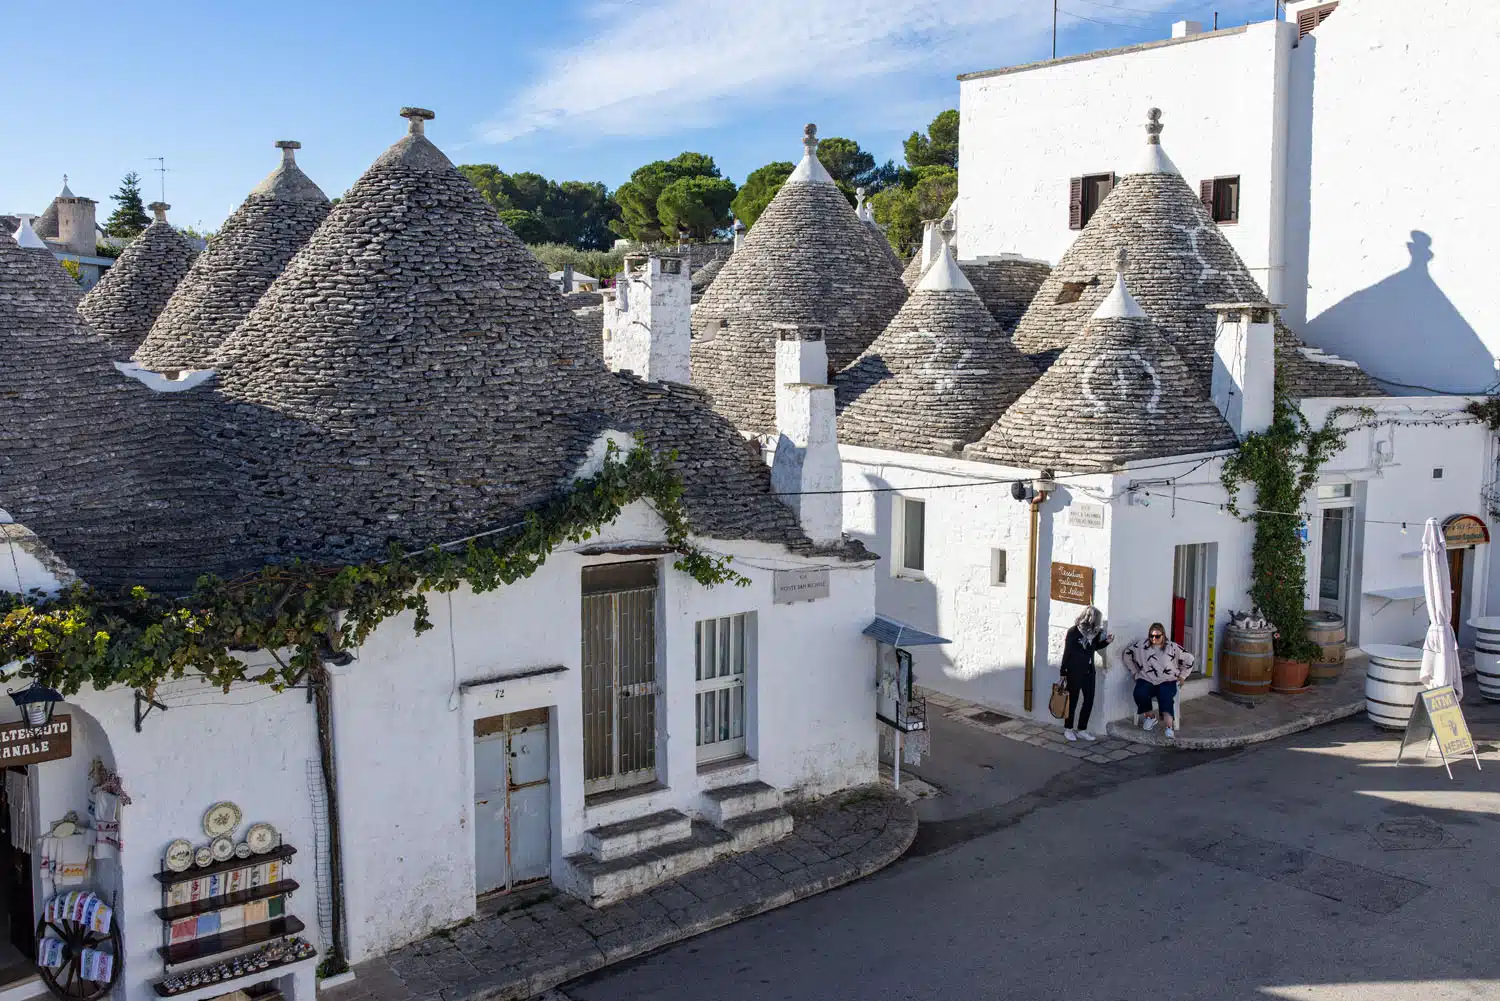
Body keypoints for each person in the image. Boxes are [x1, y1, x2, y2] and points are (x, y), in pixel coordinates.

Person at [1123, 622, 1194, 739]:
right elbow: (1127, 654)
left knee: (1165, 697)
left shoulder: (1172, 647)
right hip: (1147, 679)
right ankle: (1150, 717)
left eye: (1157, 636)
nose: (1154, 639)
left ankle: (1169, 728)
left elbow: (1189, 659)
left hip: (1168, 680)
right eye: (1151, 636)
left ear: (1163, 635)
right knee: (1140, 692)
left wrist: (1183, 676)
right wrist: (1134, 672)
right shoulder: (1141, 646)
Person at [1059, 606, 1112, 742]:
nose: (1099, 622)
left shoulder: (1095, 633)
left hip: (1089, 671)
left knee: (1089, 700)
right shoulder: (1074, 632)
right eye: (1097, 619)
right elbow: (1067, 652)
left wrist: (1106, 642)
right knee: (1073, 701)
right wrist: (1063, 671)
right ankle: (1068, 729)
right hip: (1074, 671)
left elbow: (1094, 648)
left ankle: (1082, 729)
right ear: (1090, 618)